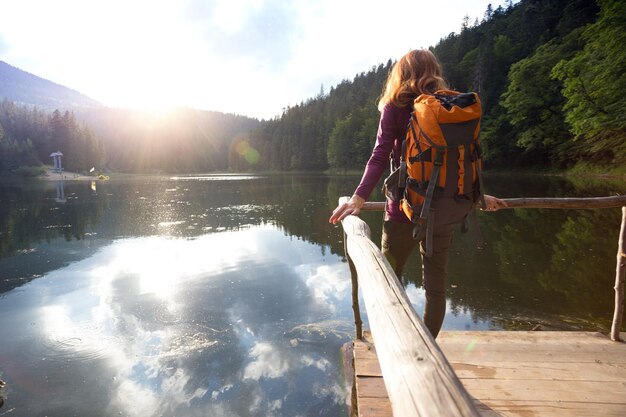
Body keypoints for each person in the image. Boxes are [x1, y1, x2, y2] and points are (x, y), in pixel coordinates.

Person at [328, 49, 507, 339]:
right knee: (436, 288)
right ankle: (429, 348)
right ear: (434, 70)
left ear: (400, 74)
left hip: (403, 209)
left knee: (389, 283)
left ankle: (397, 344)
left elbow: (380, 154)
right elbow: (466, 160)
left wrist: (358, 197)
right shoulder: (453, 107)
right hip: (446, 208)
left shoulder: (395, 106)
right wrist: (477, 196)